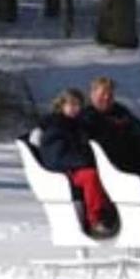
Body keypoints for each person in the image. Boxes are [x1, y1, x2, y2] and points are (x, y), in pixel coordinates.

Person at [80, 76, 140, 237]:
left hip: (133, 159)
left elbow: (138, 129)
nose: (106, 98)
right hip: (110, 166)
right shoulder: (86, 117)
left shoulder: (121, 112)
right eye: (102, 94)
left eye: (110, 94)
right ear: (92, 94)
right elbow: (91, 145)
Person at [39, 88, 116, 238]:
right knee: (91, 176)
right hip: (67, 172)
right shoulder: (55, 127)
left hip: (84, 165)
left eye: (78, 105)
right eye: (71, 105)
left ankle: (113, 214)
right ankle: (95, 220)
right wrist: (84, 161)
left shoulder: (83, 125)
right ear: (62, 106)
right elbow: (56, 157)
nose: (75, 108)